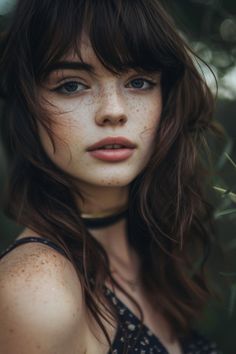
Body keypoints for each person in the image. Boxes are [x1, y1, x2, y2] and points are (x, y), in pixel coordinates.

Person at [0, 0, 224, 353]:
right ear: (29, 106)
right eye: (72, 85)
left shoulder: (150, 252)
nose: (113, 111)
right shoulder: (37, 288)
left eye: (138, 82)